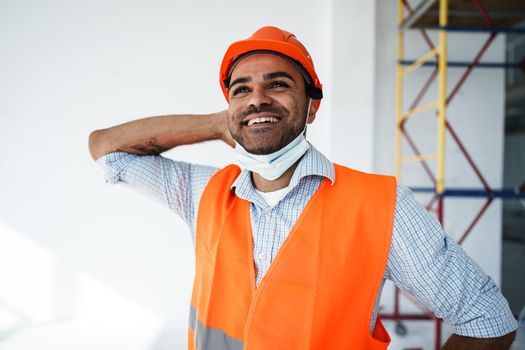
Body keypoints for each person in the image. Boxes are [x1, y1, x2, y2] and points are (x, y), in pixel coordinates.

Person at [89, 26, 517, 349]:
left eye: (277, 84)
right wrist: (218, 125)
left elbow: (487, 319)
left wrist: (243, 112)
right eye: (242, 90)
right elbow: (106, 149)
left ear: (312, 106)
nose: (258, 98)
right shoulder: (203, 192)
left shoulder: (381, 207)